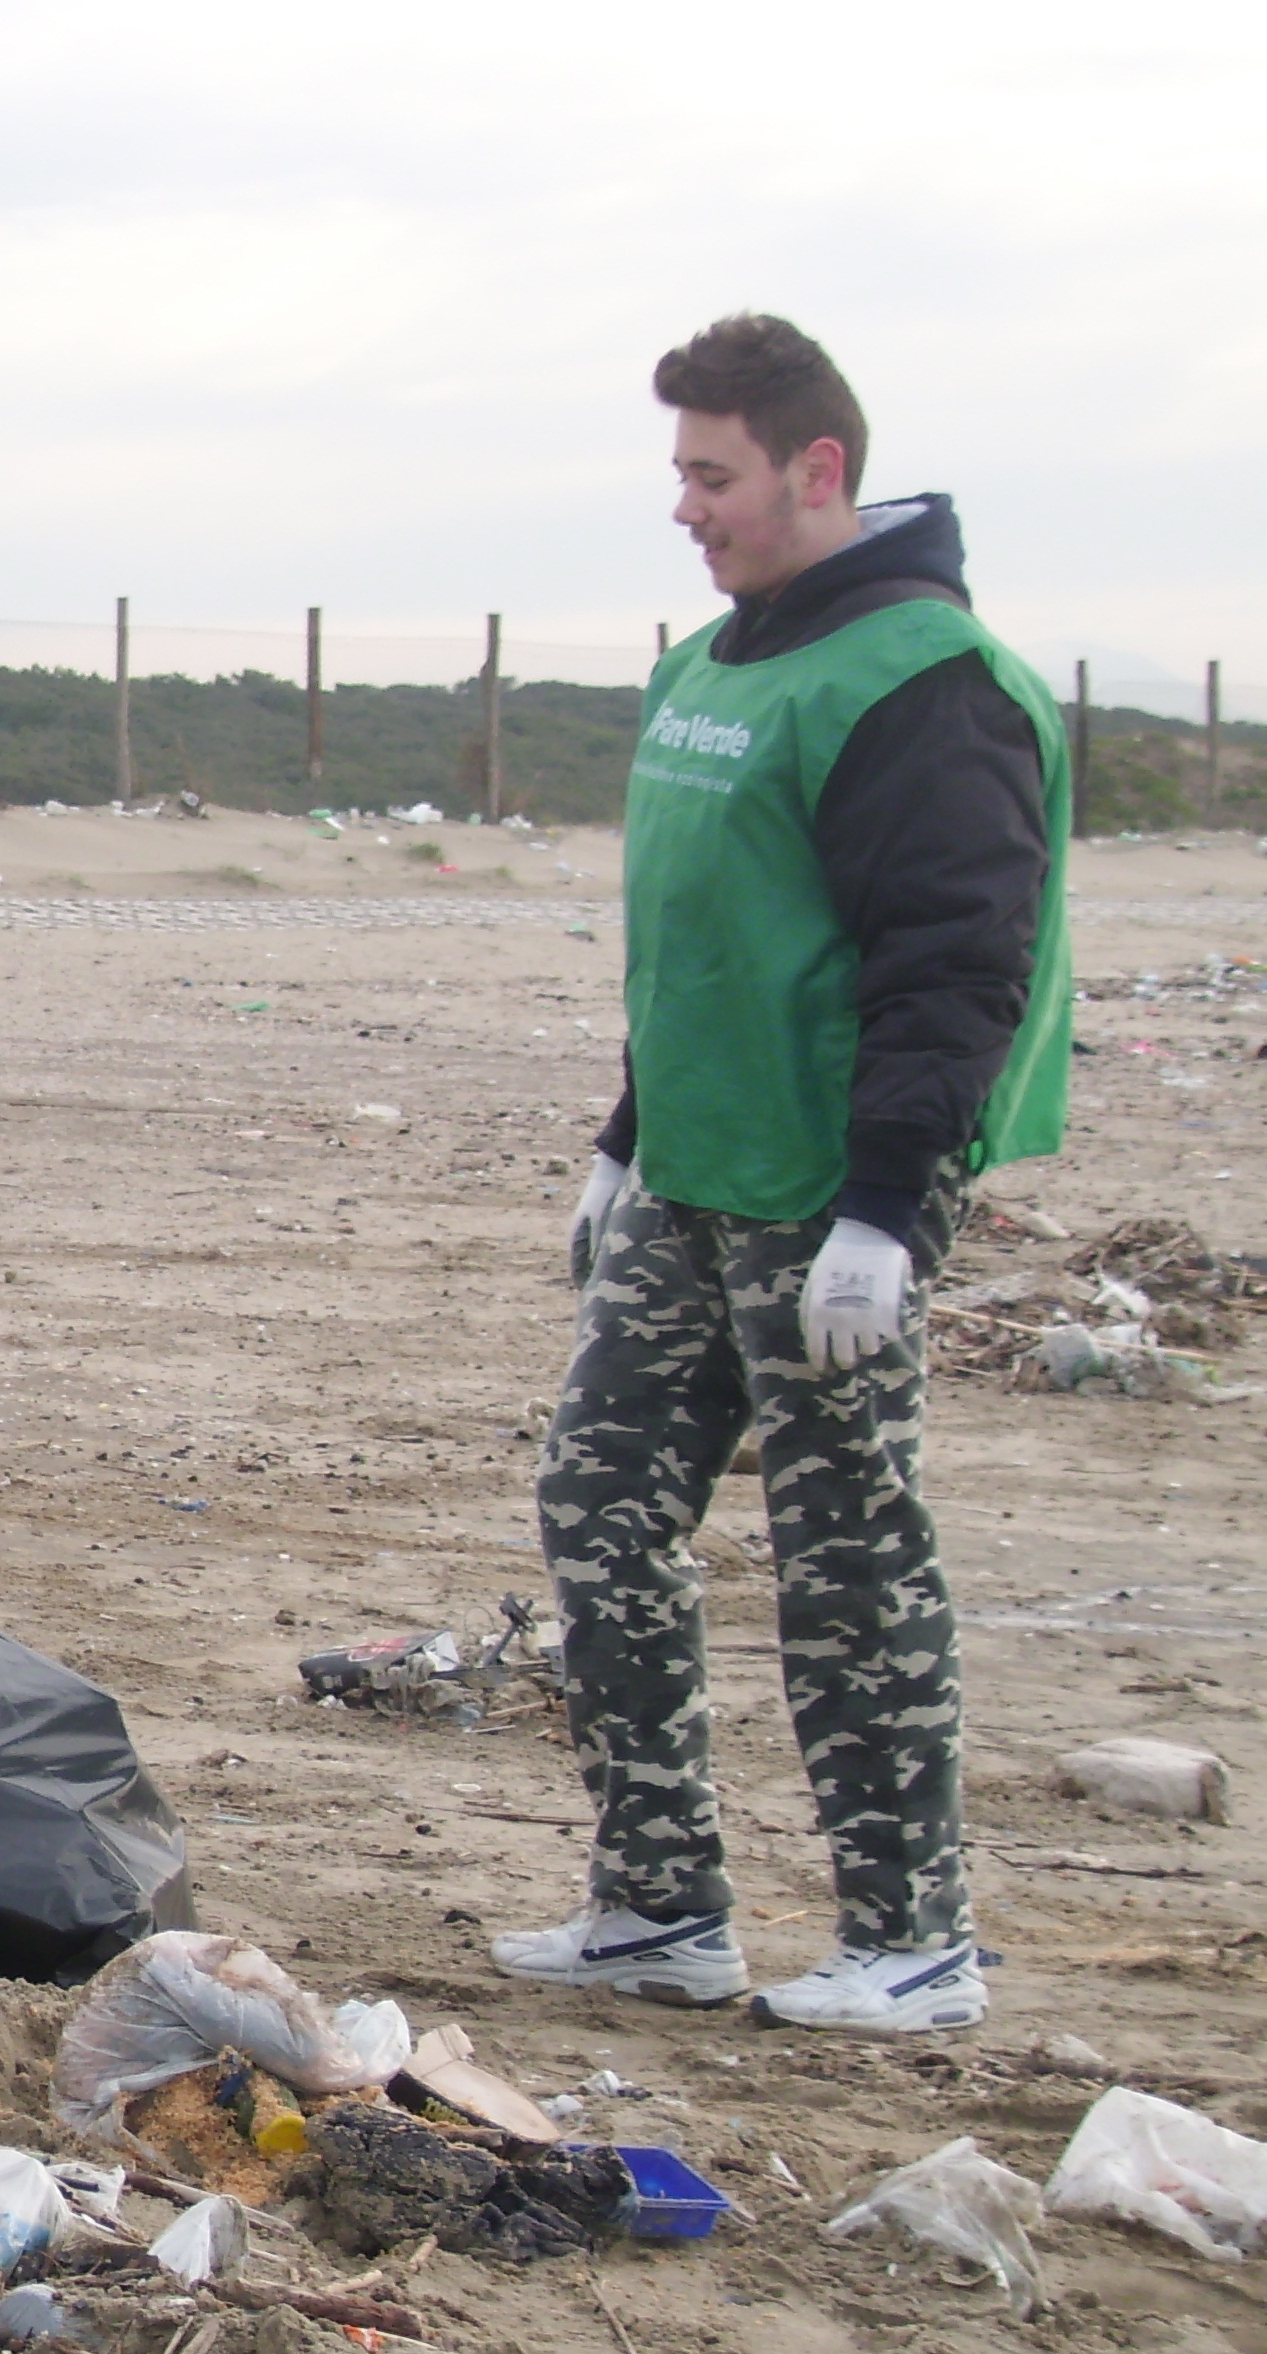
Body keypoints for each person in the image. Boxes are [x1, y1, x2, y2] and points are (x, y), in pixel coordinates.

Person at [499, 315, 1069, 2036]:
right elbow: (708, 937)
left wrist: (891, 1208)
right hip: (695, 1165)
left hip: (833, 1186)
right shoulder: (716, 662)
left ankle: (913, 1936)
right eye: (679, 471)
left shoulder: (923, 683)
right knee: (599, 1506)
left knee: (844, 1553)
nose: (686, 506)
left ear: (819, 471)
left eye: (712, 474)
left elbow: (957, 958)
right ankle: (661, 1903)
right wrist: (624, 1141)